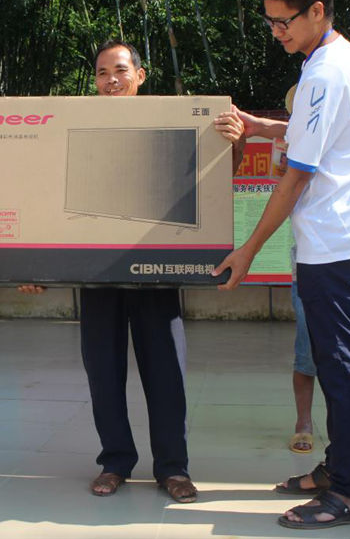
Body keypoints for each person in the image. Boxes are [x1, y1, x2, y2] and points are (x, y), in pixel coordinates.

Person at [21, 40, 241, 505]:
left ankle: (173, 467)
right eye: (102, 73)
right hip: (98, 275)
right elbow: (46, 196)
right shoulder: (74, 127)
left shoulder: (173, 123)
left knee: (167, 373)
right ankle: (116, 461)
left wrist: (232, 144)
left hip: (155, 273)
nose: (111, 80)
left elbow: (210, 180)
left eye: (120, 70)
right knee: (103, 373)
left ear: (141, 76)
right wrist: (34, 263)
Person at [212, 0, 350, 531]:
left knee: (343, 368)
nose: (276, 32)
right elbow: (322, 137)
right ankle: (338, 468)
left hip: (336, 244)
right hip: (339, 239)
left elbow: (296, 176)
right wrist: (261, 126)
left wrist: (247, 250)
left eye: (283, 21)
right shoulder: (335, 59)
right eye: (269, 22)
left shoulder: (324, 74)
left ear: (316, 10)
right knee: (337, 363)